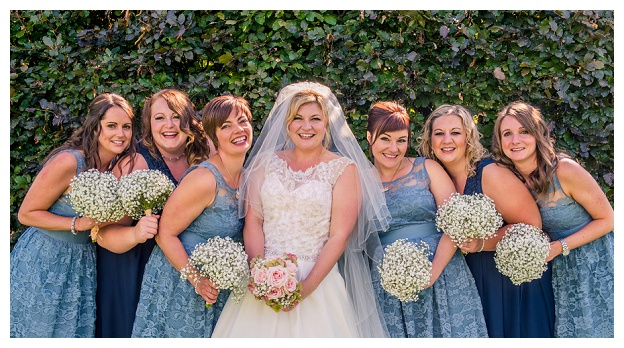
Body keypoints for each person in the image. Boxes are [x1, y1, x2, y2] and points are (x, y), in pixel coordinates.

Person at [212, 82, 391, 338]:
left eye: (315, 119)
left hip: (318, 281)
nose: (306, 127)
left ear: (327, 124)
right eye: (298, 118)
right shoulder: (264, 163)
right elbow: (253, 223)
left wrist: (305, 288)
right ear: (287, 124)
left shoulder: (343, 169)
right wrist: (260, 274)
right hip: (263, 277)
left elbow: (339, 236)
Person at [418, 104, 555, 338]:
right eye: (439, 134)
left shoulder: (489, 173)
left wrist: (482, 243)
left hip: (509, 284)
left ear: (468, 137)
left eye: (456, 132)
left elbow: (532, 226)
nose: (447, 140)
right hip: (470, 283)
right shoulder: (432, 180)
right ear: (430, 140)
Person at [10, 93, 137, 337]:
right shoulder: (70, 162)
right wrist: (78, 223)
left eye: (126, 127)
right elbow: (26, 214)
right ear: (95, 127)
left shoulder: (118, 168)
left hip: (81, 262)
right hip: (44, 258)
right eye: (111, 126)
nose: (120, 134)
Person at [131, 94, 252, 337]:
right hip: (182, 284)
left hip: (221, 288)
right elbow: (165, 234)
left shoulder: (249, 176)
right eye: (225, 126)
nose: (237, 130)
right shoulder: (204, 179)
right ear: (213, 135)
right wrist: (197, 280)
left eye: (242, 121)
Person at [491, 101, 614, 337]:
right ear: (500, 141)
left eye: (523, 131)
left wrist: (559, 246)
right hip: (558, 272)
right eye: (507, 134)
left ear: (537, 134)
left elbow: (608, 220)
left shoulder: (564, 170)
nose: (515, 140)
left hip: (596, 262)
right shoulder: (507, 180)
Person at [367, 101, 488, 337]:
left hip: (443, 274)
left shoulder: (427, 168)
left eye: (401, 140)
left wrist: (432, 273)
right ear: (370, 137)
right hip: (389, 284)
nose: (394, 148)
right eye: (385, 139)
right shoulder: (358, 181)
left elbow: (456, 223)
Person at [94, 88, 208, 337]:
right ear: (148, 124)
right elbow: (101, 232)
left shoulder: (200, 157)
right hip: (133, 267)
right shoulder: (135, 163)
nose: (169, 125)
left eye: (176, 116)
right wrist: (135, 233)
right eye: (159, 118)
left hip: (181, 271)